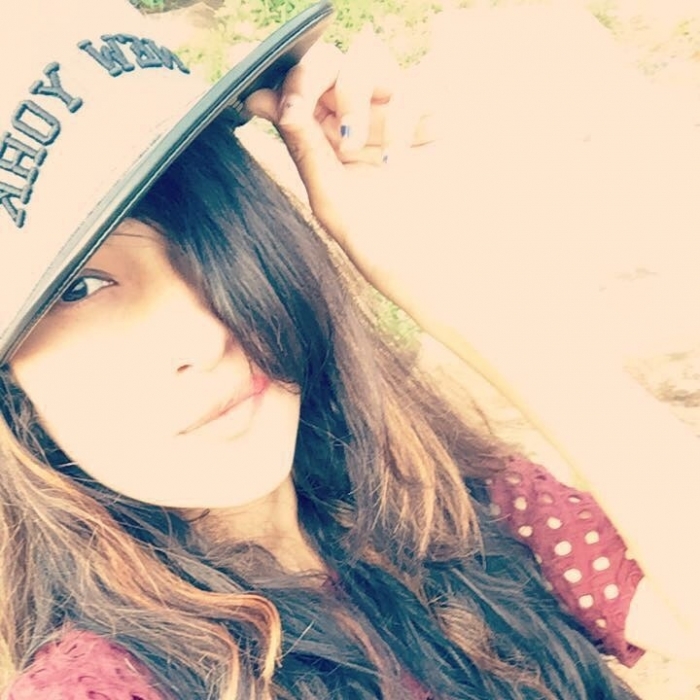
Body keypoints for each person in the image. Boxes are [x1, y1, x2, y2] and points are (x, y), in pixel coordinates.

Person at [0, 1, 698, 699]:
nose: (206, 333)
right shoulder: (103, 686)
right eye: (80, 287)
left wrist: (456, 287)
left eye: (210, 229)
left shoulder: (452, 506)